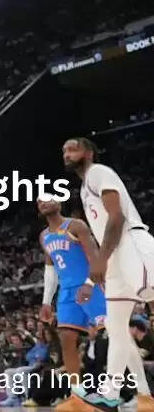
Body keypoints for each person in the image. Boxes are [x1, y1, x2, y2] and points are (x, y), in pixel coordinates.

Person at [64, 137, 154, 412]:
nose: (67, 154)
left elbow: (117, 218)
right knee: (115, 328)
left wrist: (101, 260)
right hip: (115, 256)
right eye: (64, 151)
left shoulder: (99, 172)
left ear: (89, 152)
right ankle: (111, 392)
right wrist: (93, 277)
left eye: (72, 149)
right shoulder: (84, 188)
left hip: (131, 245)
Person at [37, 197, 108, 412]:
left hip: (90, 285)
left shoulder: (76, 225)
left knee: (110, 337)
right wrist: (46, 301)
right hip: (66, 291)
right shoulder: (44, 236)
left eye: (48, 199)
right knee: (66, 339)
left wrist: (89, 284)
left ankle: (134, 391)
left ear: (59, 203)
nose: (43, 203)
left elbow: (95, 257)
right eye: (39, 201)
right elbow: (50, 270)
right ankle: (77, 396)